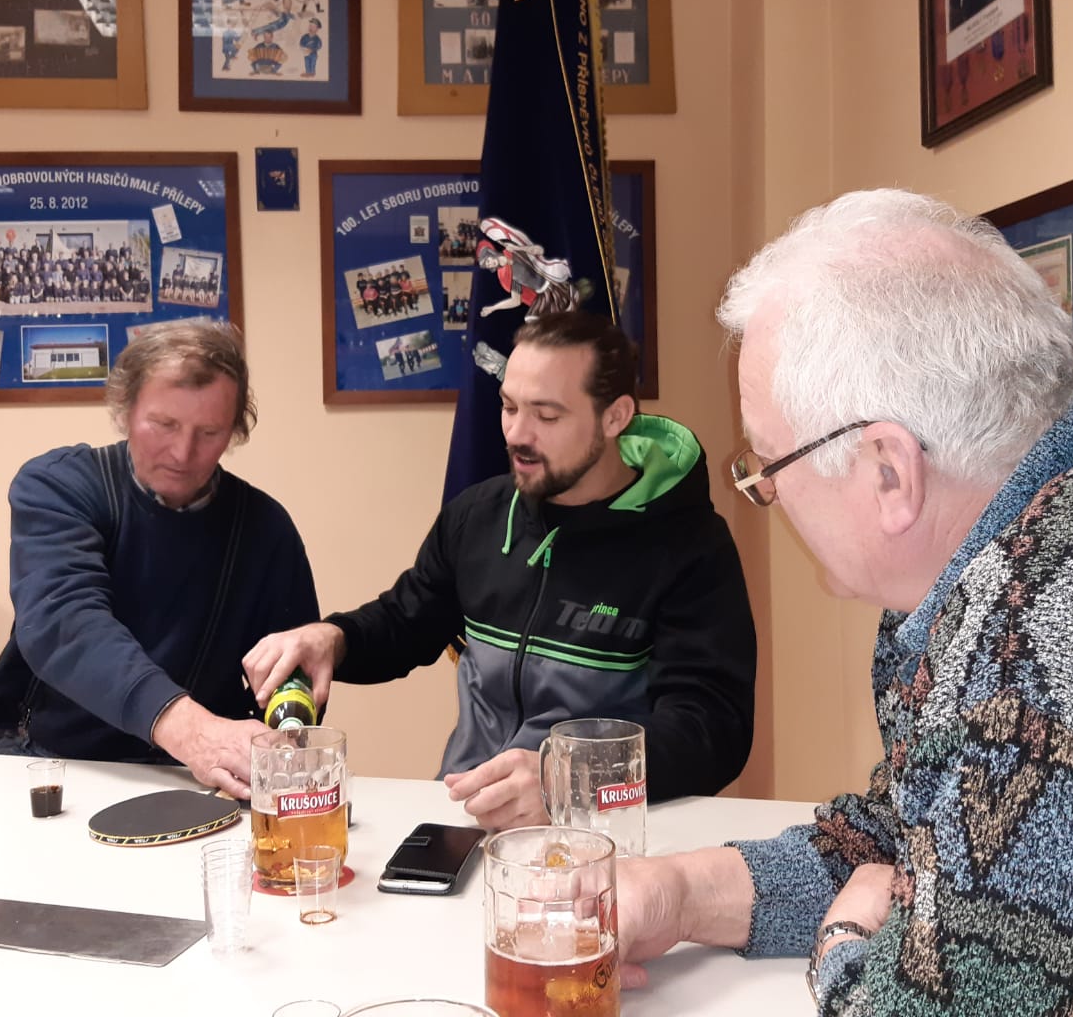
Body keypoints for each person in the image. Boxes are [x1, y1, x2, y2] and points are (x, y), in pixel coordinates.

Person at [615, 189, 1073, 1013]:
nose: (766, 494)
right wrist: (681, 893)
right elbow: (920, 835)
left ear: (890, 471)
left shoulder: (1053, 653)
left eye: (768, 465)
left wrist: (845, 945)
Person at [244, 311, 756, 830]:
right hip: (466, 816)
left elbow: (712, 729)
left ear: (615, 417)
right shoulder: (478, 516)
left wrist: (573, 778)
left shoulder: (688, 544)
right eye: (509, 407)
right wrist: (334, 638)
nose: (516, 434)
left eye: (547, 416)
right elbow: (407, 620)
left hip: (604, 833)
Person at [0, 321, 319, 797]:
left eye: (209, 432)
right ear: (125, 409)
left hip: (197, 779)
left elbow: (291, 671)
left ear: (233, 431)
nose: (183, 453)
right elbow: (64, 624)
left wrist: (280, 739)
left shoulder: (266, 529)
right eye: (164, 425)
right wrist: (191, 731)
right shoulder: (58, 487)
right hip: (55, 761)